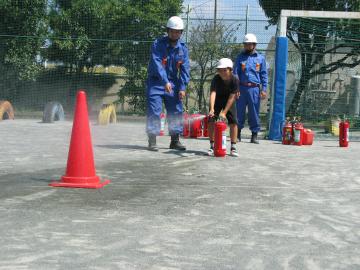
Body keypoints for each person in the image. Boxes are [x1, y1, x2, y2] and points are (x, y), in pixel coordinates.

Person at [146, 16, 190, 151]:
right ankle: (152, 140)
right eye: (172, 31)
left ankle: (175, 140)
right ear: (167, 31)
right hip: (156, 82)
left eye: (178, 31)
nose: (175, 34)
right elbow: (157, 64)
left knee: (176, 110)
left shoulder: (183, 49)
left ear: (181, 33)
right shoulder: (157, 44)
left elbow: (185, 69)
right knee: (155, 110)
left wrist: (182, 87)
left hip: (173, 83)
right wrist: (165, 81)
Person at [234, 33, 268, 144]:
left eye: (249, 44)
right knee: (240, 112)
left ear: (254, 45)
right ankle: (237, 134)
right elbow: (236, 73)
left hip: (254, 89)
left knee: (254, 112)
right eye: (245, 44)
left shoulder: (260, 58)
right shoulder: (240, 57)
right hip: (242, 89)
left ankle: (254, 135)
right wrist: (236, 89)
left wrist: (263, 89)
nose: (247, 46)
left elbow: (263, 75)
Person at [208, 58, 239, 157]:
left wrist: (224, 112)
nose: (222, 72)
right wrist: (212, 109)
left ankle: (233, 148)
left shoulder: (235, 79)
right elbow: (213, 93)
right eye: (220, 70)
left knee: (233, 122)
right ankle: (212, 146)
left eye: (225, 70)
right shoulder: (216, 79)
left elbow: (232, 97)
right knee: (211, 120)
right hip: (217, 99)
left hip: (229, 100)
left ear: (230, 70)